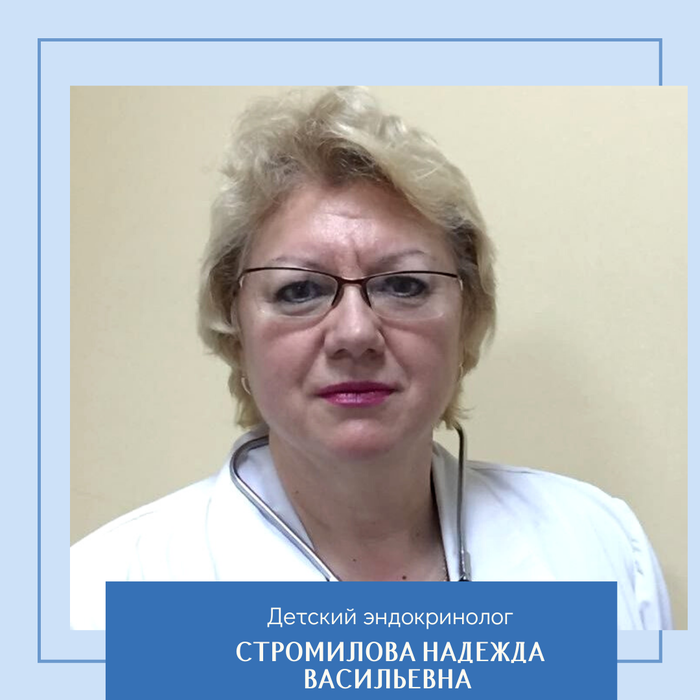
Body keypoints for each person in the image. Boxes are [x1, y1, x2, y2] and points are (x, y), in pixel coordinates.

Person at [70, 87, 672, 631]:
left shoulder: (599, 550)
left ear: (467, 317)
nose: (355, 333)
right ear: (237, 332)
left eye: (403, 285)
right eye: (299, 290)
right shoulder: (101, 596)